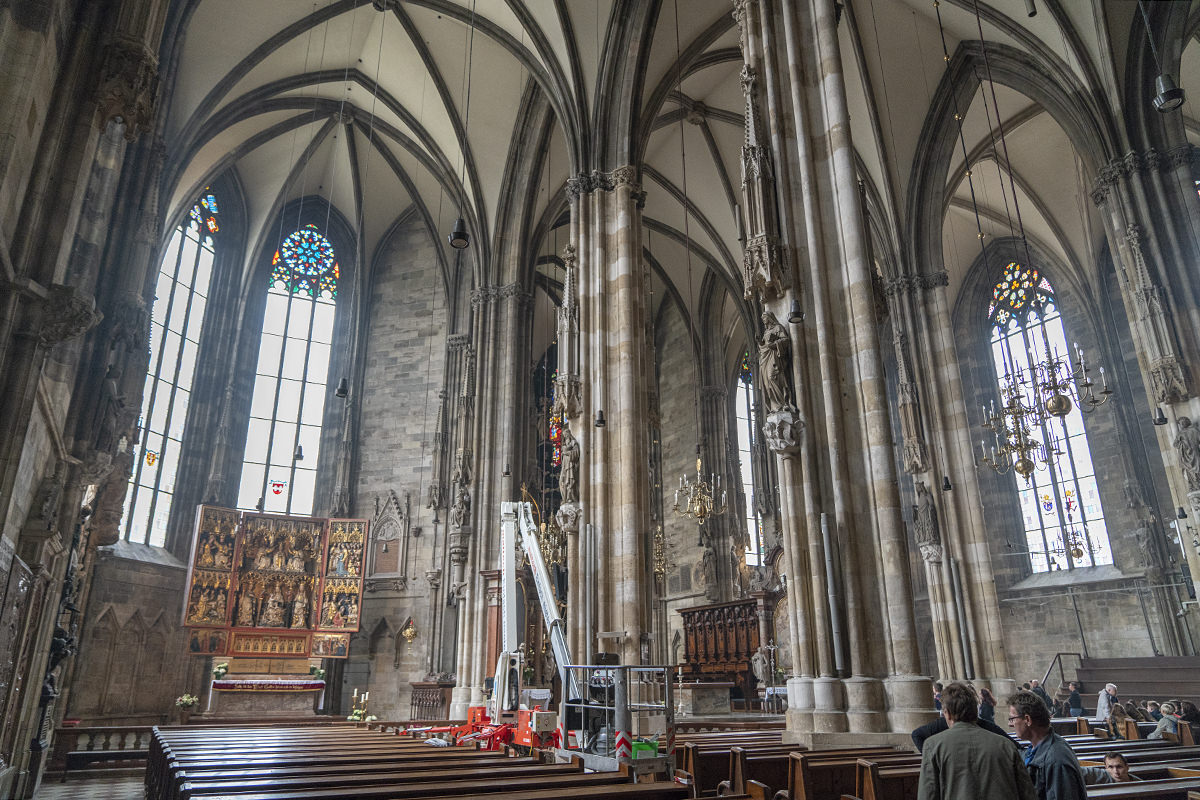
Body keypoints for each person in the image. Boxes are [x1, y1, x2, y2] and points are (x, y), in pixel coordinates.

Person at [917, 682, 1035, 800]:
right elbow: (1027, 793)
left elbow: (928, 795)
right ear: (975, 710)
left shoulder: (933, 746)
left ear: (947, 714)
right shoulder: (1005, 745)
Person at [1008, 689, 1087, 800]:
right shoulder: (1035, 749)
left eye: (1012, 719)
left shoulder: (1056, 758)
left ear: (1027, 719)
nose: (1010, 724)